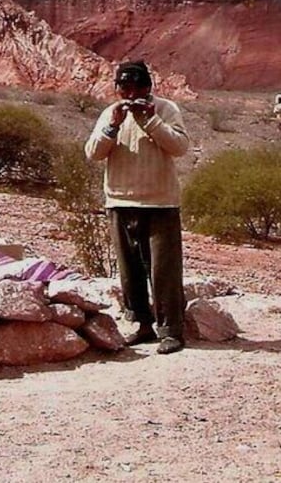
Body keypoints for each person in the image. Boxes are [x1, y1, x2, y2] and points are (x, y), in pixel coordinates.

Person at [84, 60, 190, 355]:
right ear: (116, 88)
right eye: (125, 87)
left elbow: (180, 147)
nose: (131, 94)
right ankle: (142, 325)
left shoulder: (166, 109)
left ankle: (171, 331)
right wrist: (112, 126)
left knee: (164, 270)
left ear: (148, 86)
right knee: (130, 270)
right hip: (120, 201)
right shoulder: (110, 113)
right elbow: (93, 153)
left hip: (160, 202)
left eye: (138, 86)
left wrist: (151, 122)